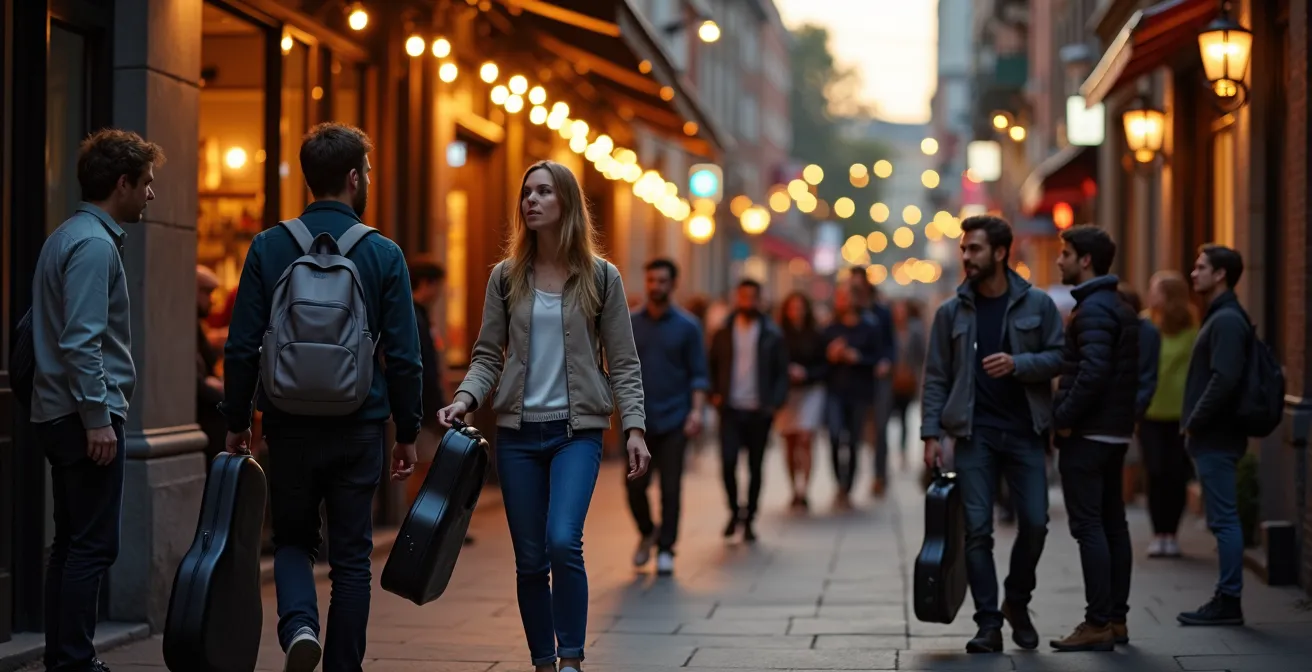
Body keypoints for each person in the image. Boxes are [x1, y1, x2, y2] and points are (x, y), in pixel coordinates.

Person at [220, 122, 423, 672]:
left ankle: (299, 626)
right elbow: (405, 355)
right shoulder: (383, 253)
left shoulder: (268, 244)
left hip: (286, 422)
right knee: (352, 558)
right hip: (360, 422)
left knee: (291, 539)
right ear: (355, 178)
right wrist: (407, 432)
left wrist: (238, 419)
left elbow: (242, 345)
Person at [437, 160, 650, 672]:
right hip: (516, 435)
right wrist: (465, 398)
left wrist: (636, 427)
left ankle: (572, 659)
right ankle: (544, 662)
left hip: (577, 434)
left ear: (567, 203)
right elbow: (488, 354)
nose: (530, 200)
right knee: (530, 559)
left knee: (562, 540)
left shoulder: (601, 276)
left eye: (543, 192)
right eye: (526, 193)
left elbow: (622, 360)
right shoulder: (505, 278)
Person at [29, 128, 162, 672]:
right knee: (90, 547)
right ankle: (74, 662)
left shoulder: (72, 234)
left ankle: (67, 658)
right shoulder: (91, 244)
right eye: (146, 183)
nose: (150, 195)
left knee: (72, 544)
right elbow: (82, 342)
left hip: (65, 412)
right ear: (122, 182)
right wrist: (97, 418)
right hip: (81, 415)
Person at [920, 215, 1064, 654]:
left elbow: (1059, 355)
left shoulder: (1037, 305)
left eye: (975, 249)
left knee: (1036, 524)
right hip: (974, 435)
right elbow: (937, 377)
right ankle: (988, 623)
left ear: (1001, 253)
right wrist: (930, 434)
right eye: (964, 249)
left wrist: (1019, 365)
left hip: (1024, 431)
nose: (967, 257)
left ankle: (1016, 602)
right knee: (977, 532)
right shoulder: (951, 312)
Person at [1048, 225, 1140, 652]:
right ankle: (1116, 620)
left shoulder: (1094, 310)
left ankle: (1098, 621)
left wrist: (1063, 419)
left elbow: (1093, 372)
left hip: (1089, 434)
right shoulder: (1117, 305)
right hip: (1114, 432)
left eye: (1065, 254)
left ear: (1086, 260)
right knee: (1112, 525)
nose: (1059, 260)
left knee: (1090, 527)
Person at [1177, 244, 1250, 627]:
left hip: (1217, 436)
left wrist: (1195, 420)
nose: (1194, 273)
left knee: (1223, 520)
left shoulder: (1226, 320)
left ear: (1220, 274)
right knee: (1223, 519)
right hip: (1215, 434)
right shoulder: (1221, 316)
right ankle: (1227, 597)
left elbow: (1225, 379)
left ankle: (1229, 600)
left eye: (1201, 267)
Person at [627, 258, 709, 576]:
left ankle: (666, 549)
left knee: (671, 488)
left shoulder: (688, 326)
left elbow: (699, 374)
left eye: (661, 281)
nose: (655, 286)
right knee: (634, 486)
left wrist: (697, 412)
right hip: (638, 421)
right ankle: (648, 531)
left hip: (675, 418)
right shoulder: (630, 322)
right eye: (650, 280)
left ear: (673, 284)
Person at [708, 279, 790, 543]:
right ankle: (734, 511)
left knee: (755, 466)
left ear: (760, 300)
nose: (747, 302)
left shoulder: (772, 334)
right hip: (730, 409)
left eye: (752, 297)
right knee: (728, 462)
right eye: (742, 297)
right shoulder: (723, 332)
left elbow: (781, 372)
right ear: (736, 298)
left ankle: (750, 517)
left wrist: (774, 402)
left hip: (759, 410)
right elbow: (711, 365)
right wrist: (714, 395)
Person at [1140, 271, 1199, 558]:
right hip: (1151, 411)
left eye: (1155, 290)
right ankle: (1157, 533)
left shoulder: (1192, 327)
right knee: (1155, 472)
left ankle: (1172, 534)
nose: (1151, 295)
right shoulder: (1145, 322)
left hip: (1180, 412)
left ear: (1170, 294)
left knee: (1176, 475)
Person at [821, 284, 886, 510]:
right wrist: (831, 355)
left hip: (859, 390)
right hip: (835, 390)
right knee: (835, 436)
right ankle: (839, 482)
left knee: (855, 441)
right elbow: (820, 360)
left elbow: (877, 358)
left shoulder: (869, 327)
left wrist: (857, 357)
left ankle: (848, 486)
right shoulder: (831, 328)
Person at [776, 291, 827, 510]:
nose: (796, 312)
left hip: (810, 390)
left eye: (800, 307)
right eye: (792, 308)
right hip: (787, 393)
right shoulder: (778, 335)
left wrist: (806, 373)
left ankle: (804, 488)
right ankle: (792, 488)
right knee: (789, 440)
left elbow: (824, 365)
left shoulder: (816, 335)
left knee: (806, 438)